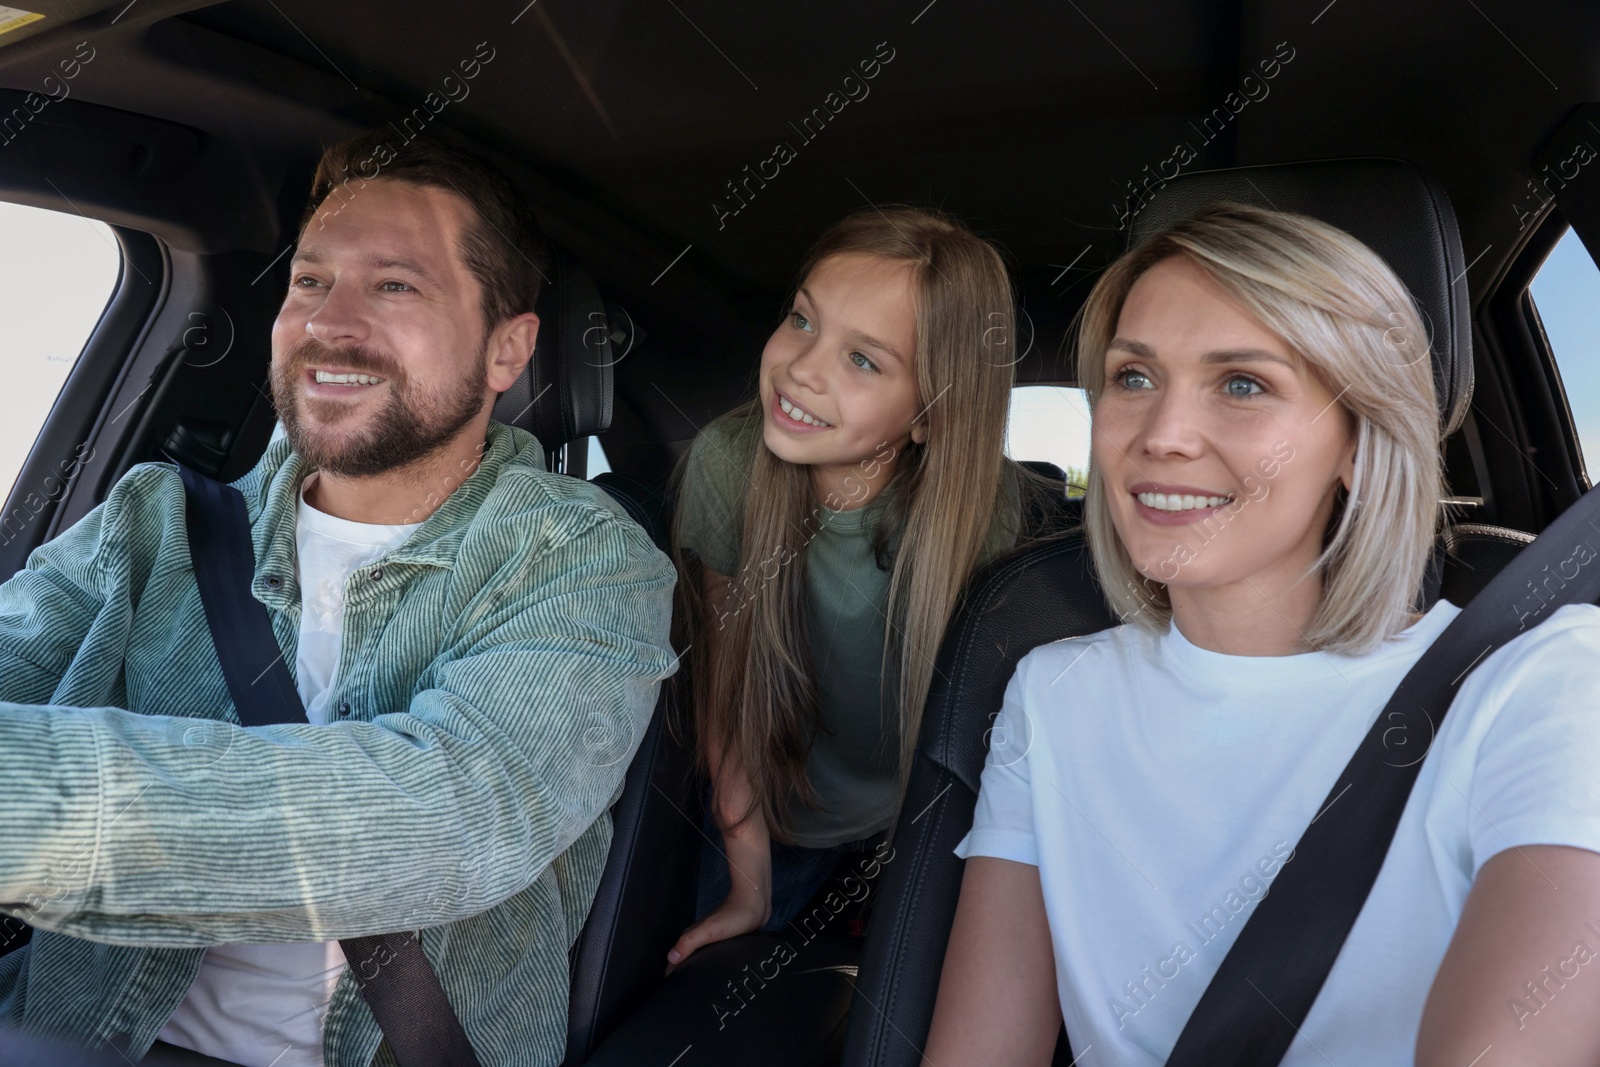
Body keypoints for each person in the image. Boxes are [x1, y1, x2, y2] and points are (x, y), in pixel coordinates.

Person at [0, 131, 678, 1067]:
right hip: (75, 1040)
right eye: (310, 282)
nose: (330, 323)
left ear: (507, 349)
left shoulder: (586, 563)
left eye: (394, 286)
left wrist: (26, 802)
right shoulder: (150, 523)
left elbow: (446, 819)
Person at [926, 204, 1600, 1065]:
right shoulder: (1050, 692)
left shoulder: (1540, 683)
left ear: (1357, 440)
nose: (1161, 436)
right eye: (1134, 377)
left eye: (1242, 383)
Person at [665, 206, 1050, 967]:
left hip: (923, 816)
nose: (803, 367)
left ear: (930, 417)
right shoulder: (731, 464)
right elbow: (730, 697)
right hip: (774, 815)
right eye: (802, 320)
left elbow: (988, 738)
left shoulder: (981, 517)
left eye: (864, 360)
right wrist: (750, 886)